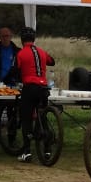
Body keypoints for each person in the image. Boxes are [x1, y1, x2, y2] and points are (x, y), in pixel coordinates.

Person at [14, 28, 55, 163]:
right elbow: (52, 61)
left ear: (22, 40)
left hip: (29, 88)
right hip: (43, 88)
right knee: (42, 117)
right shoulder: (41, 52)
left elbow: (15, 70)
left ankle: (27, 152)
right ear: (34, 39)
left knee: (26, 118)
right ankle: (48, 150)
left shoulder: (20, 54)